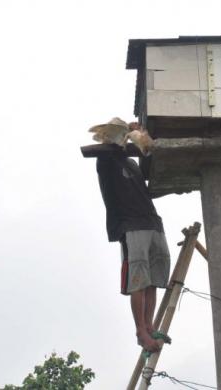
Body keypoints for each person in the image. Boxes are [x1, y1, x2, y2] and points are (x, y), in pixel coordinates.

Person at [94, 120, 170, 354]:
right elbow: (115, 146)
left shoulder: (132, 163)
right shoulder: (105, 160)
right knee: (138, 279)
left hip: (152, 221)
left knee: (154, 277)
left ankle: (150, 325)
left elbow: (148, 155)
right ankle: (141, 331)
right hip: (130, 225)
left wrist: (140, 134)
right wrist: (128, 133)